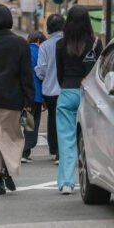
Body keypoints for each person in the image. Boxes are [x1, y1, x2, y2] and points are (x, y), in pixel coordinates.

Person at [0, 4, 35, 195]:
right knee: (13, 137)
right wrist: (29, 100)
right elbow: (26, 74)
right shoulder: (21, 44)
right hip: (13, 99)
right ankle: (8, 170)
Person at [55, 6, 103, 195]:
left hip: (67, 92)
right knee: (90, 139)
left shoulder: (60, 45)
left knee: (66, 140)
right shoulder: (95, 43)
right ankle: (94, 179)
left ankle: (67, 183)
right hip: (88, 95)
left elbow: (59, 74)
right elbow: (99, 72)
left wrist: (67, 85)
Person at [34, 14, 65, 164]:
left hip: (50, 90)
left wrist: (39, 73)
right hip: (66, 88)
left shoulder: (45, 46)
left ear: (48, 28)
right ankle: (62, 152)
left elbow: (41, 71)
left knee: (52, 119)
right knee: (66, 120)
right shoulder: (69, 42)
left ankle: (53, 150)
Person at [22, 31, 46, 163]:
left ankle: (24, 151)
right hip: (36, 94)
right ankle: (25, 151)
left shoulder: (23, 51)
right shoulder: (40, 52)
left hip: (24, 94)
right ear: (38, 41)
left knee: (26, 122)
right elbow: (42, 74)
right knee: (31, 124)